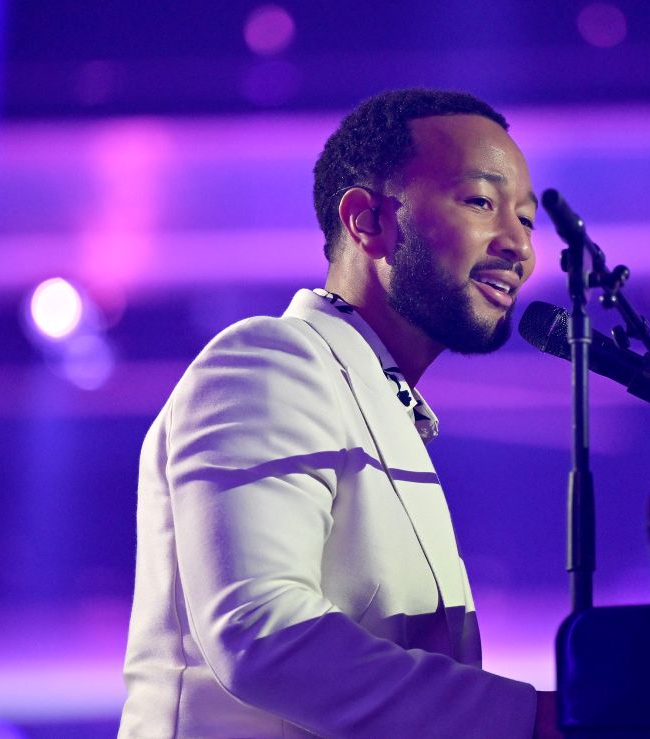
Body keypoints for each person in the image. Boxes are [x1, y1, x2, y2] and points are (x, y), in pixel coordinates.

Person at [119, 89, 560, 738]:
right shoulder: (270, 359)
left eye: (525, 218)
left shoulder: (384, 406)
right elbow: (261, 632)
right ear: (367, 221)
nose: (517, 244)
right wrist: (535, 719)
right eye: (480, 202)